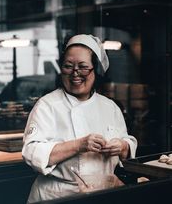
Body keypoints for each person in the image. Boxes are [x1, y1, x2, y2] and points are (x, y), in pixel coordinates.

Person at [22, 34, 137, 203]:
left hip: (103, 193)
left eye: (83, 67)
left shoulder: (110, 107)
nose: (75, 73)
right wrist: (79, 145)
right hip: (58, 195)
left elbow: (127, 143)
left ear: (95, 71)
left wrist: (122, 146)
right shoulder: (47, 105)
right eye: (68, 66)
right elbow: (31, 152)